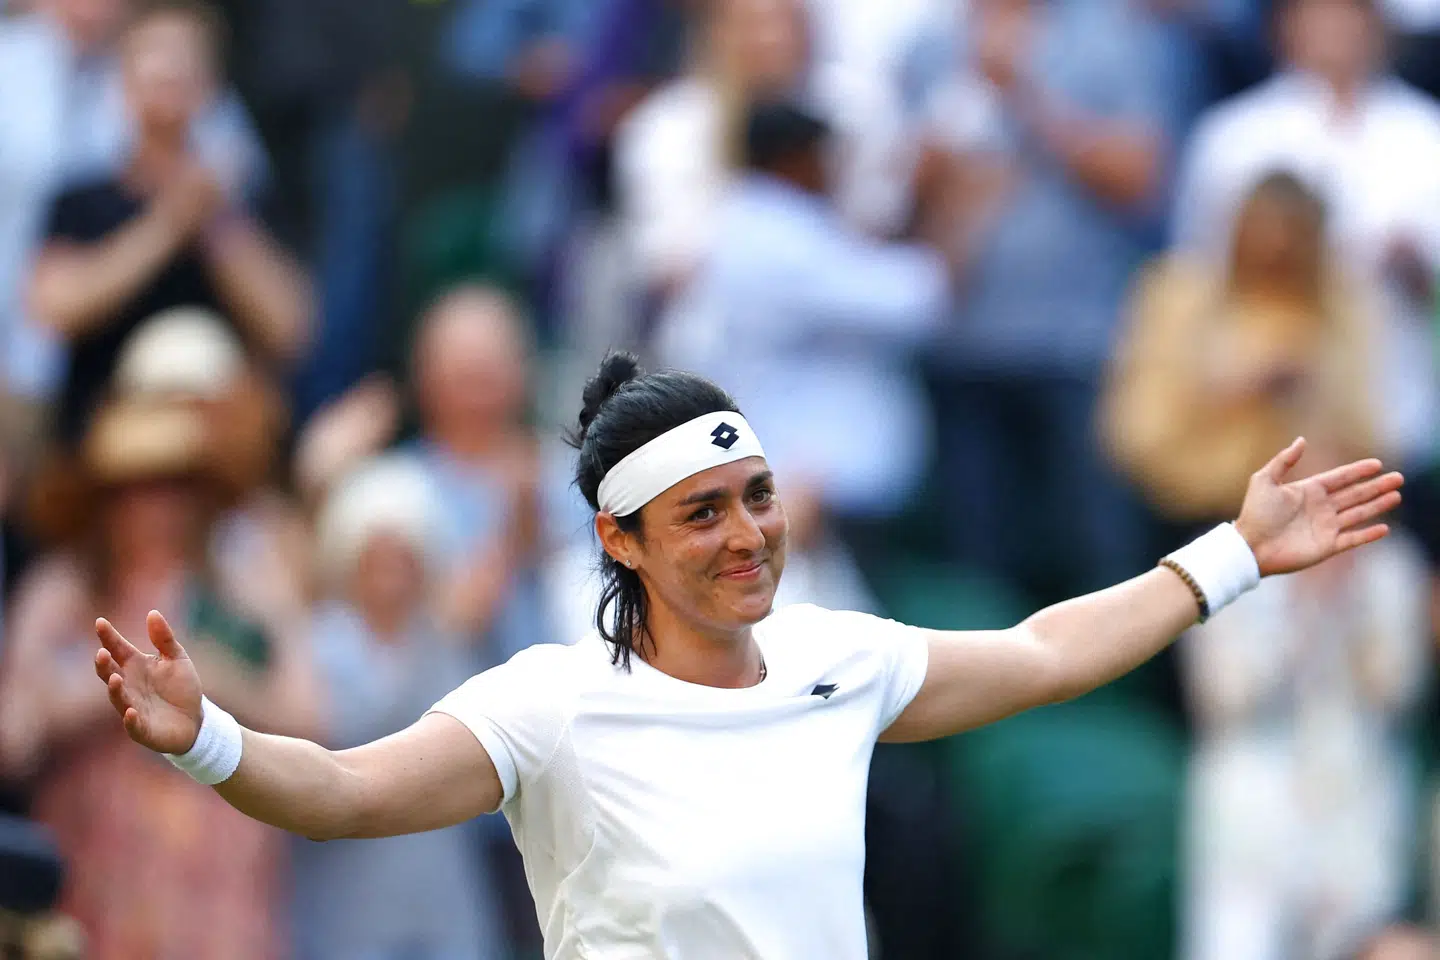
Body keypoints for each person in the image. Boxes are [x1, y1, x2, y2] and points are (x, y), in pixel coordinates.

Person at [89, 354, 1404, 960]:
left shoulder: (838, 657)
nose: (748, 535)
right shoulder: (550, 703)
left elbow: (1045, 652)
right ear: (622, 540)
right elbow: (346, 791)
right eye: (704, 513)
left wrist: (1232, 554)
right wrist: (209, 736)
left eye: (759, 496)